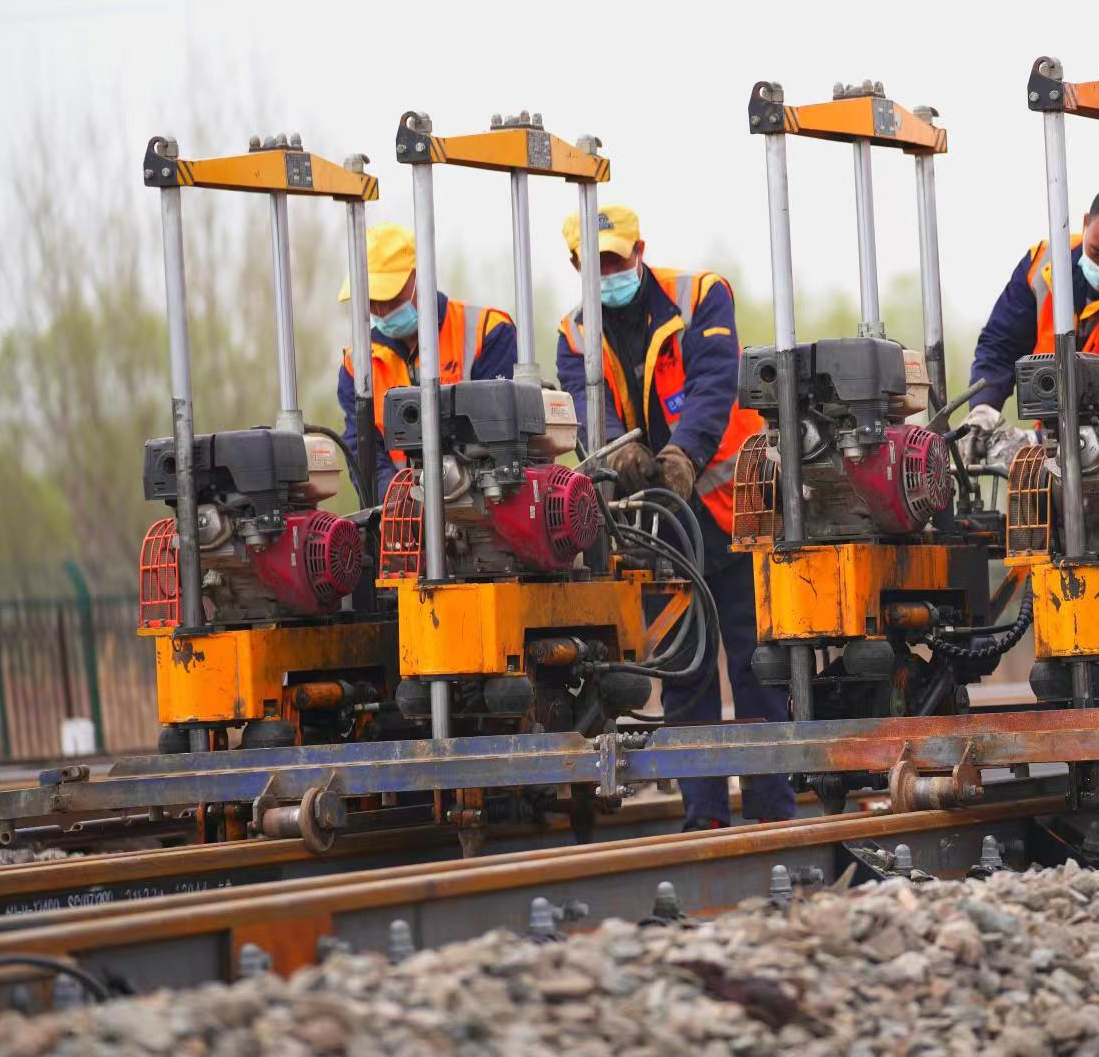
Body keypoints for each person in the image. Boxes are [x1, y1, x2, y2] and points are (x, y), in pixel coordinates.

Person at [555, 204, 796, 830]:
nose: (609, 271)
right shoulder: (575, 333)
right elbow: (589, 407)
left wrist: (682, 453)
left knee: (755, 668)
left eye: (617, 258)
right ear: (578, 265)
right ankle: (706, 820)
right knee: (686, 674)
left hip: (732, 512)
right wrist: (618, 448)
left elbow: (716, 384)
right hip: (658, 530)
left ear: (640, 251)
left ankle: (774, 815)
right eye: (596, 263)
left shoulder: (701, 296)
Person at [961, 182, 1099, 466]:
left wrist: (1034, 445)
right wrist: (984, 409)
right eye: (1096, 252)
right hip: (1059, 443)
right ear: (1085, 223)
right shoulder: (1042, 263)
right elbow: (1001, 344)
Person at [337, 223, 516, 503]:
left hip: (483, 509)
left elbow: (501, 441)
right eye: (371, 299)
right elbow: (363, 451)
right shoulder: (356, 364)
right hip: (401, 520)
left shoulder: (487, 332)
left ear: (421, 276)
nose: (382, 310)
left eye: (389, 295)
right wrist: (397, 501)